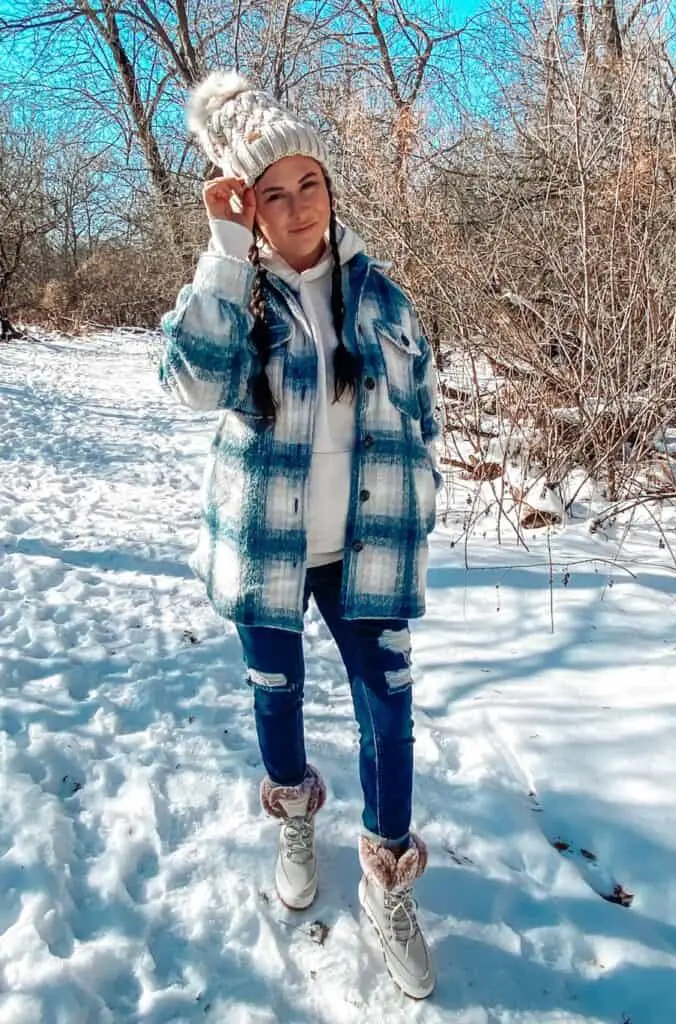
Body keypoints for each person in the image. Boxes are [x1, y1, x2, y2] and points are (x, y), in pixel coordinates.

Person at [159, 71, 441, 1000]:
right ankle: (293, 814)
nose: (296, 206)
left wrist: (425, 493)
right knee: (276, 698)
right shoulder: (234, 295)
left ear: (329, 185)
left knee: (389, 708)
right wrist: (222, 246)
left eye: (307, 183)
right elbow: (194, 383)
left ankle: (387, 878)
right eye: (271, 193)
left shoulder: (384, 298)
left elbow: (422, 411)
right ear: (251, 205)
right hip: (270, 548)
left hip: (366, 549)